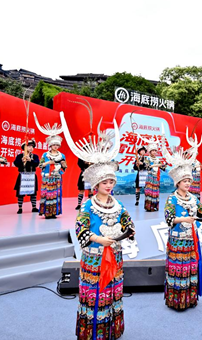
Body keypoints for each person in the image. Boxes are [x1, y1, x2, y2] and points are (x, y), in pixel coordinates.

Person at [62, 119, 136, 340]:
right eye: (105, 182)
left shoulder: (118, 204)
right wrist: (98, 239)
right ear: (96, 184)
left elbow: (127, 222)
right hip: (94, 256)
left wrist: (128, 231)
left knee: (113, 290)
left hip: (114, 254)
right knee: (95, 292)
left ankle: (112, 328)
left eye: (111, 181)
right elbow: (80, 229)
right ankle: (93, 332)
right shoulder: (88, 204)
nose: (109, 185)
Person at [161, 139, 202, 311]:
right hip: (177, 240)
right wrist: (182, 220)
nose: (188, 183)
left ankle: (189, 298)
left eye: (189, 180)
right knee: (178, 268)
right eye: (184, 181)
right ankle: (176, 301)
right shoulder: (172, 198)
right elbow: (168, 218)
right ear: (177, 183)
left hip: (191, 238)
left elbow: (200, 213)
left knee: (190, 267)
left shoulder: (193, 198)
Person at [39, 136, 67, 219]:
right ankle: (47, 213)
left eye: (57, 145)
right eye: (54, 144)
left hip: (56, 177)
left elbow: (64, 167)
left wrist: (63, 165)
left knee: (55, 194)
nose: (55, 146)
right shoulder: (45, 155)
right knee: (47, 194)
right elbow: (40, 165)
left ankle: (54, 212)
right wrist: (48, 163)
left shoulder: (62, 155)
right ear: (50, 145)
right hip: (47, 177)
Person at [14, 139, 39, 214]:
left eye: (32, 146)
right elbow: (16, 163)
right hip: (22, 175)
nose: (31, 148)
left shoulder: (35, 156)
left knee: (33, 192)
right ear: (24, 147)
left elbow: (37, 163)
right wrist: (22, 160)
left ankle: (34, 207)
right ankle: (20, 208)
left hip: (32, 175)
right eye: (29, 146)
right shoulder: (20, 156)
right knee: (20, 192)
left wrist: (30, 160)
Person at [143, 142, 166, 212]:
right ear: (150, 151)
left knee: (155, 191)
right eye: (153, 150)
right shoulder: (147, 159)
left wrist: (163, 166)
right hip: (150, 177)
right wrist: (154, 165)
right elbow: (147, 167)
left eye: (155, 151)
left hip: (156, 177)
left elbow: (163, 168)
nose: (154, 152)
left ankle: (155, 206)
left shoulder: (158, 160)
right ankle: (149, 207)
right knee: (149, 191)